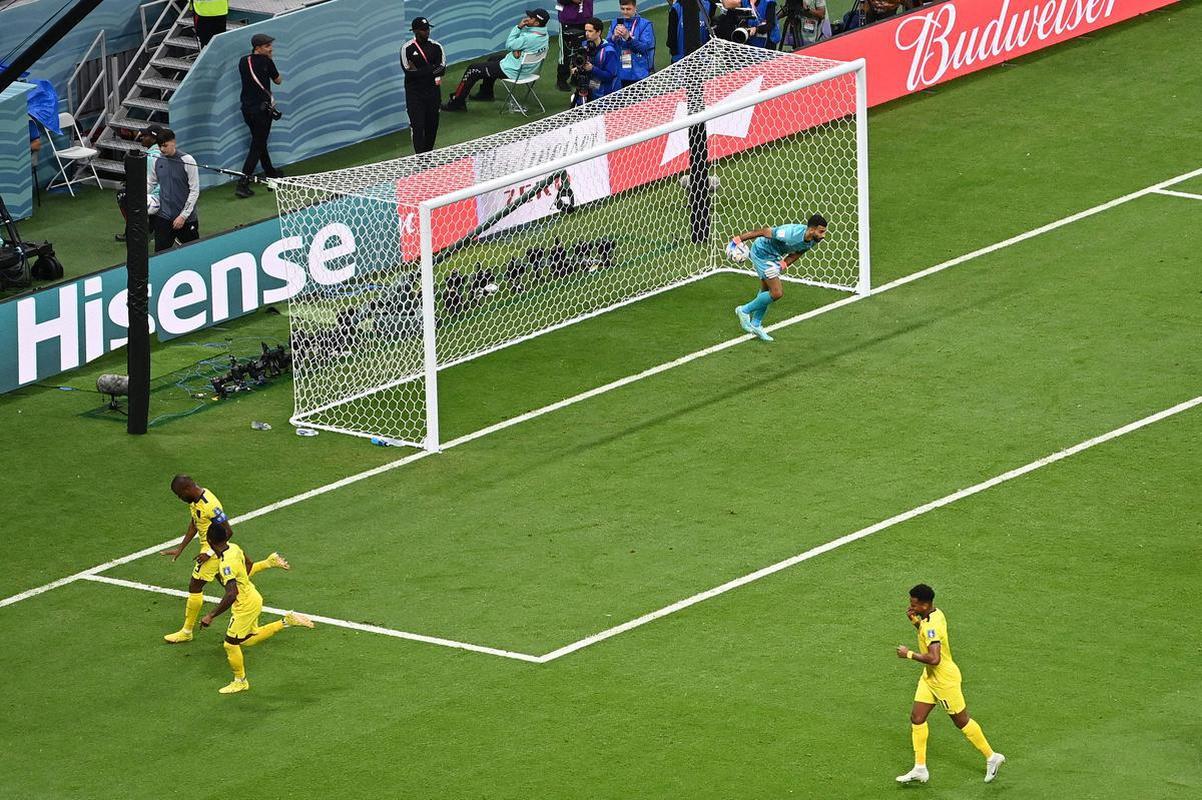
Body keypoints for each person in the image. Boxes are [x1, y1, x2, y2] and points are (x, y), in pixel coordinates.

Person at [895, 584, 1007, 785]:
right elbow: (927, 634)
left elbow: (934, 658)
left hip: (944, 681)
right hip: (929, 678)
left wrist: (908, 654)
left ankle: (992, 757)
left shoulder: (932, 625)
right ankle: (920, 768)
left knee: (961, 721)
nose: (911, 607)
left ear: (925, 605)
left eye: (914, 605)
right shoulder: (935, 614)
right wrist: (915, 622)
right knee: (917, 718)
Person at [161, 474, 289, 644]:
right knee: (230, 581)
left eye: (179, 495)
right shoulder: (194, 500)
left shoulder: (210, 504)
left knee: (195, 585)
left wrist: (209, 553)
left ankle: (187, 631)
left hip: (212, 550)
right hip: (209, 547)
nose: (180, 498)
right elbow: (195, 523)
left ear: (187, 489)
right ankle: (267, 565)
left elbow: (228, 531)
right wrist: (180, 548)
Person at [200, 521, 314, 694]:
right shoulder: (234, 548)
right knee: (246, 640)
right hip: (252, 597)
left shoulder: (225, 565)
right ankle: (286, 621)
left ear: (209, 540)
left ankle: (240, 681)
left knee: (230, 644)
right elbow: (249, 564)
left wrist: (211, 615)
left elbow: (231, 594)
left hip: (245, 605)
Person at [730, 215, 826, 342]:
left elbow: (797, 253)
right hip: (761, 252)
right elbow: (764, 231)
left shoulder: (813, 240)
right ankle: (744, 310)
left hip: (774, 256)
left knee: (766, 290)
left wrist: (781, 266)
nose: (823, 235)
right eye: (821, 231)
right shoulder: (789, 233)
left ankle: (756, 324)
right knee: (776, 292)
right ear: (812, 229)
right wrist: (737, 240)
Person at [443, 9, 550, 111]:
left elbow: (509, 45)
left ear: (536, 23)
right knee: (493, 59)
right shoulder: (544, 35)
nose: (527, 18)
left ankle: (457, 103)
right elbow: (518, 46)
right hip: (527, 68)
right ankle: (486, 93)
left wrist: (518, 27)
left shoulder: (528, 38)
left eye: (531, 18)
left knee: (473, 69)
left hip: (514, 71)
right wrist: (515, 49)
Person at [236, 32, 283, 198]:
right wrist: (270, 60)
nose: (271, 49)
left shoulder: (243, 61)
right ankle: (243, 183)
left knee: (259, 142)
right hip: (262, 111)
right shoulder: (266, 61)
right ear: (258, 48)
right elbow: (278, 80)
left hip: (247, 110)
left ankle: (270, 172)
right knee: (257, 145)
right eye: (267, 46)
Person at [146, 128, 200, 253]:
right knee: (160, 256)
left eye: (165, 145)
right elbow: (151, 183)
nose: (162, 149)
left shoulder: (188, 161)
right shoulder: (157, 160)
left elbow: (194, 191)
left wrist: (183, 216)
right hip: (163, 217)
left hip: (187, 219)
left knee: (193, 254)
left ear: (173, 142)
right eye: (160, 146)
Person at [400, 16, 446, 154]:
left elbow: (442, 69)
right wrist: (431, 69)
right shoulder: (407, 48)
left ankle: (428, 155)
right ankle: (420, 158)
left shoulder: (436, 47)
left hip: (433, 93)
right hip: (415, 94)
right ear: (415, 31)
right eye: (423, 29)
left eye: (427, 29)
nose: (427, 31)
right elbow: (409, 72)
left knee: (432, 126)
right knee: (418, 126)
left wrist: (420, 71)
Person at [115, 124, 162, 243]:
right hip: (163, 195)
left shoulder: (152, 157)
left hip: (157, 198)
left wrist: (133, 189)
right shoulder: (160, 152)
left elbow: (149, 184)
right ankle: (148, 228)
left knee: (123, 195)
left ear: (153, 139)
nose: (141, 137)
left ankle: (136, 231)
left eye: (145, 136)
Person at [571, 17, 619, 106]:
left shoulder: (609, 51)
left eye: (590, 31)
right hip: (589, 86)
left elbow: (610, 76)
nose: (587, 34)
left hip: (604, 96)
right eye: (586, 31)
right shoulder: (584, 46)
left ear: (598, 32)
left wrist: (592, 69)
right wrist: (577, 68)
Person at [609, 0, 654, 88]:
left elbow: (644, 48)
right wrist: (614, 37)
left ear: (635, 8)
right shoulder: (615, 23)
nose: (625, 12)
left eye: (628, 9)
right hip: (619, 74)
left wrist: (628, 38)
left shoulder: (645, 24)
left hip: (638, 73)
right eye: (622, 9)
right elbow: (608, 47)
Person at [556, 0, 594, 91]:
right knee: (565, 52)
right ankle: (561, 80)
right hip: (567, 21)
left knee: (582, 50)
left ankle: (577, 77)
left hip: (585, 19)